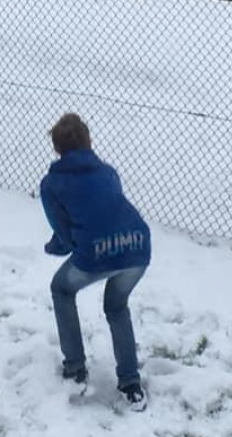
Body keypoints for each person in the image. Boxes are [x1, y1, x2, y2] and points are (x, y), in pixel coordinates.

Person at [40, 113, 152, 411]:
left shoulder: (52, 184)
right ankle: (131, 385)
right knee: (116, 307)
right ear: (89, 141)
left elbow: (65, 235)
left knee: (62, 289)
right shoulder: (108, 172)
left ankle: (75, 369)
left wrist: (56, 246)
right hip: (138, 247)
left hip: (98, 253)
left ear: (56, 148)